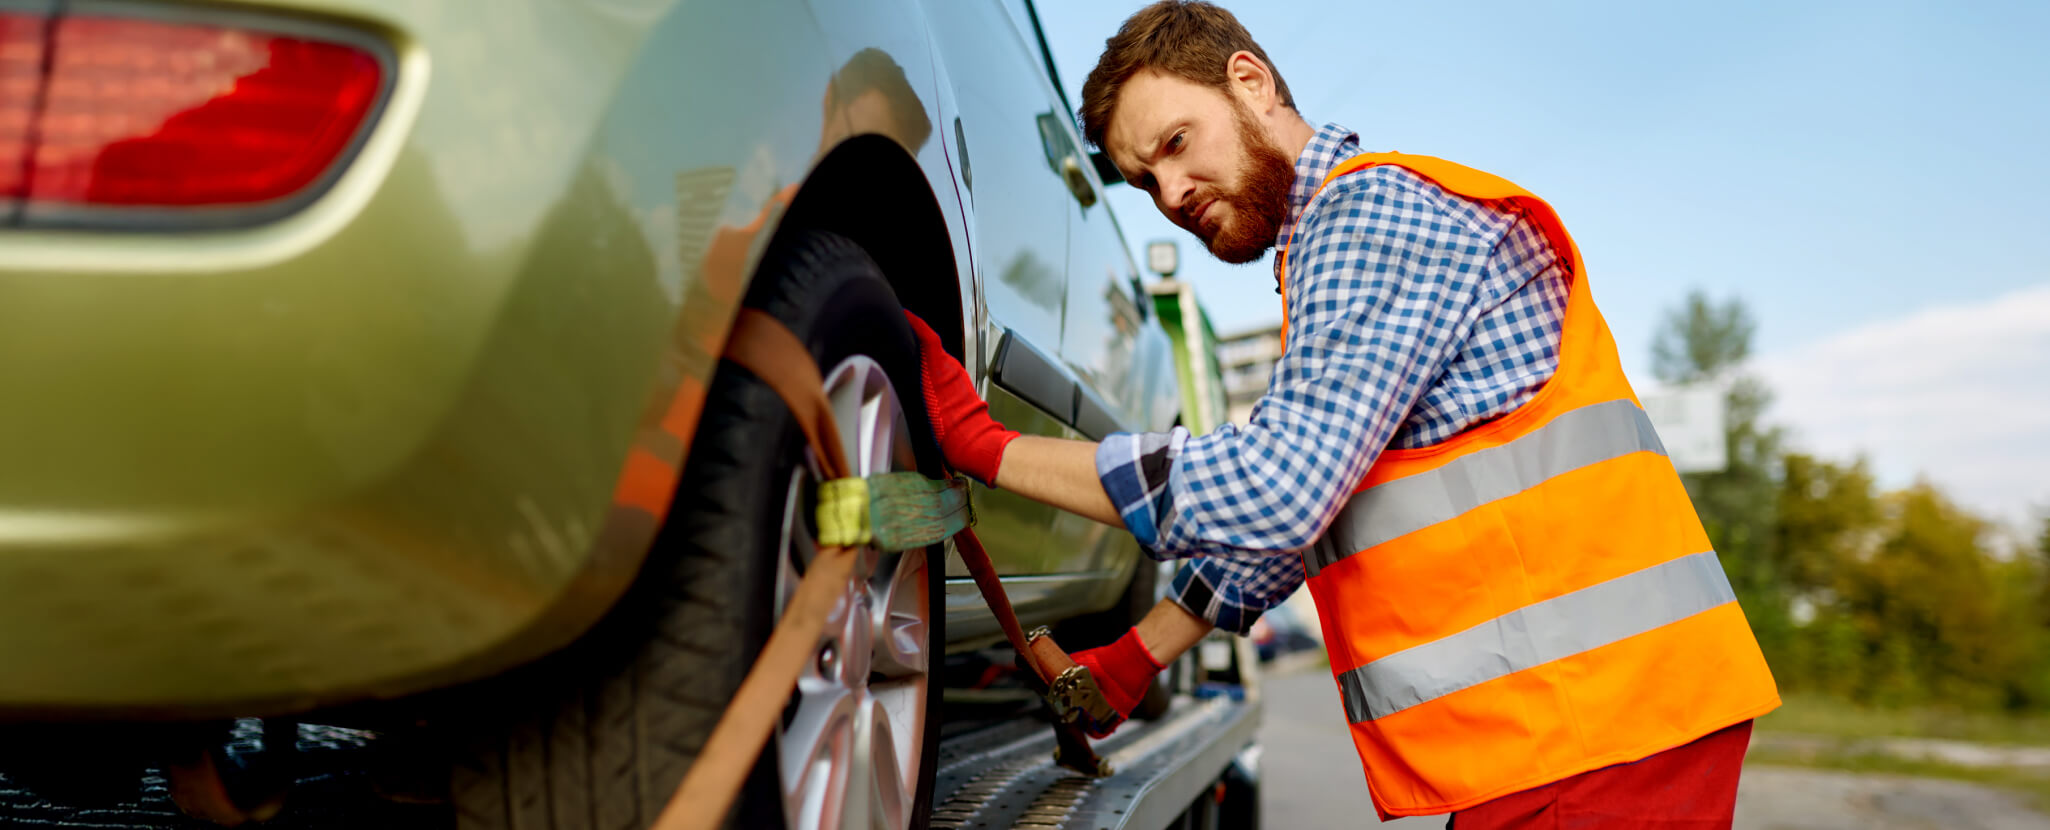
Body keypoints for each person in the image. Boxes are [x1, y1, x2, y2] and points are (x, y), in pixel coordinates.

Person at [905, 1, 1783, 825]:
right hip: (1589, 717)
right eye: (1144, 181)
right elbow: (1313, 510)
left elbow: (1278, 489)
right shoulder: (1335, 248)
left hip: (1601, 720)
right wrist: (1141, 655)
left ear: (1248, 82)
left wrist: (988, 447)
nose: (1170, 192)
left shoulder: (1370, 215)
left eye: (1176, 142)